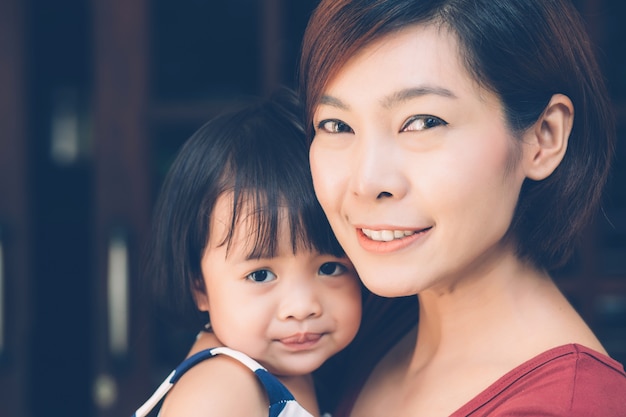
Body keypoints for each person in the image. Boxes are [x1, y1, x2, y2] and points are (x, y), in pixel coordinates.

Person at [299, 0, 626, 415]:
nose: (367, 183)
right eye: (336, 125)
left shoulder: (566, 406)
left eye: (423, 122)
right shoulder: (349, 323)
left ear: (544, 136)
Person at [132, 89, 362, 417]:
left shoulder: (291, 375)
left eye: (328, 268)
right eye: (260, 275)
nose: (302, 308)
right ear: (199, 286)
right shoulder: (220, 391)